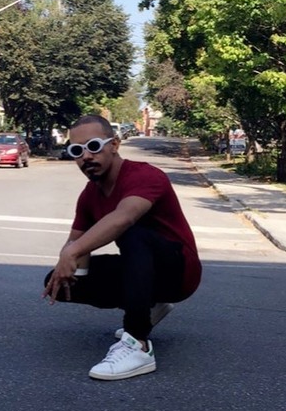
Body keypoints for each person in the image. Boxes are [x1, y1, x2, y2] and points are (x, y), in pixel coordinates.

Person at [43, 114, 202, 381]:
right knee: (59, 282)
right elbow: (76, 245)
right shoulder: (89, 195)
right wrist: (70, 264)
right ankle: (148, 306)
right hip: (143, 269)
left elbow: (124, 217)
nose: (86, 156)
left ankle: (138, 344)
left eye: (94, 146)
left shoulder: (145, 175)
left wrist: (72, 250)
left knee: (134, 233)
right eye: (76, 151)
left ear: (115, 144)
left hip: (179, 272)